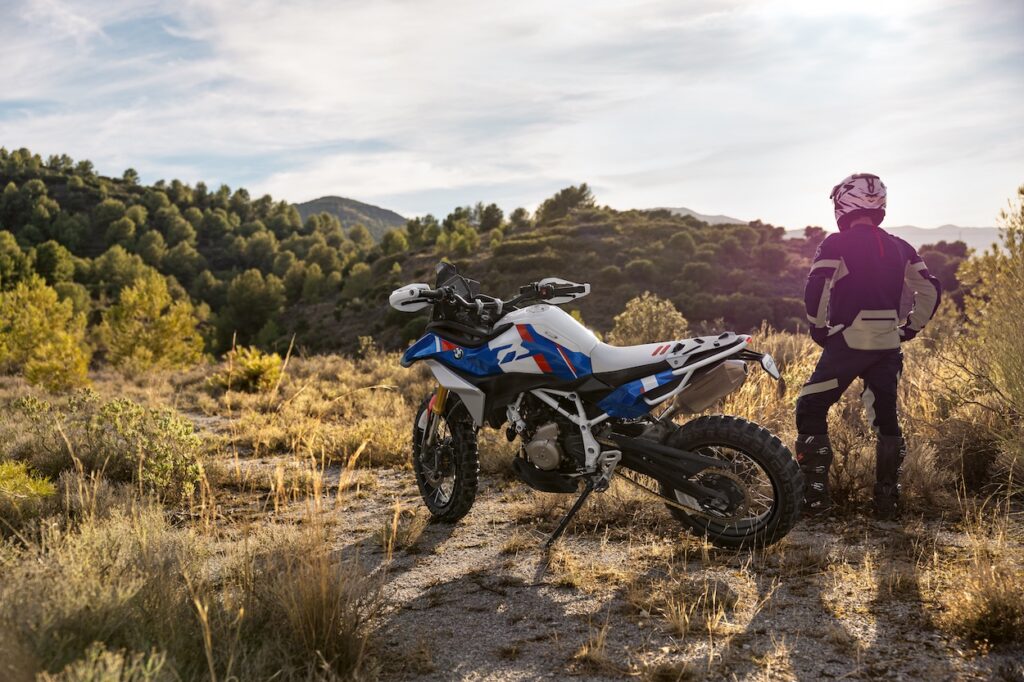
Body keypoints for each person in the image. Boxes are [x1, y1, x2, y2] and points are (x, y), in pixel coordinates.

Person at [795, 173, 941, 518]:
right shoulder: (901, 246)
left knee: (810, 407)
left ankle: (815, 500)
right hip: (888, 344)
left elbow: (816, 287)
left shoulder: (836, 243)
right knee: (886, 419)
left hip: (847, 343)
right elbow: (930, 288)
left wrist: (818, 327)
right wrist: (911, 328)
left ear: (843, 204)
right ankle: (887, 501)